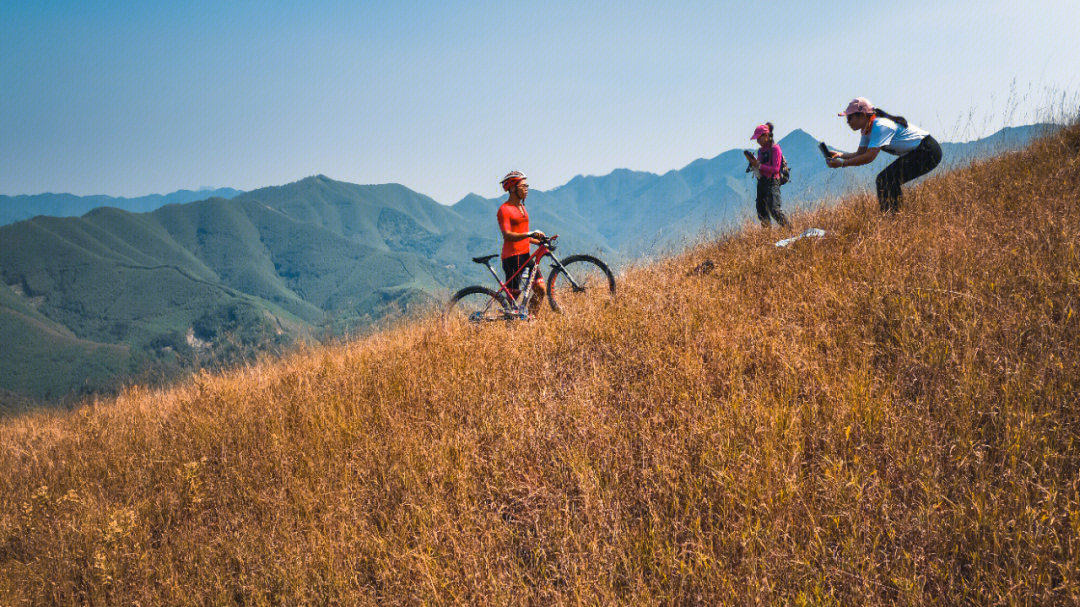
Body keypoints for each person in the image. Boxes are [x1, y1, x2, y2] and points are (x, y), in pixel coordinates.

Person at [827, 97, 942, 214]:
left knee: (886, 179)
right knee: (888, 180)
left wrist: (842, 164)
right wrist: (840, 155)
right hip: (921, 151)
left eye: (850, 117)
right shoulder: (867, 129)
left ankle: (892, 219)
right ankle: (894, 217)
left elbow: (869, 157)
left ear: (862, 115)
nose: (848, 122)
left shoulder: (880, 126)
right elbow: (860, 153)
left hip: (928, 151)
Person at [497, 171, 546, 315]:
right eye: (523, 186)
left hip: (526, 256)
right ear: (512, 188)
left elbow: (523, 235)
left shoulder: (522, 208)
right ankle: (511, 328)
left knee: (540, 289)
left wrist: (539, 241)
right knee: (513, 299)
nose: (526, 189)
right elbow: (508, 235)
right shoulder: (504, 209)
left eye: (527, 186)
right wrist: (529, 234)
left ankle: (531, 320)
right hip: (512, 258)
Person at [746, 123, 789, 227]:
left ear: (766, 136)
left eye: (759, 138)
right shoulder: (760, 151)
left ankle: (790, 230)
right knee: (761, 210)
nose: (757, 141)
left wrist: (759, 166)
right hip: (762, 182)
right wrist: (753, 164)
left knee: (774, 209)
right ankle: (767, 235)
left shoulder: (775, 149)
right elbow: (760, 164)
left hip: (773, 182)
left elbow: (775, 169)